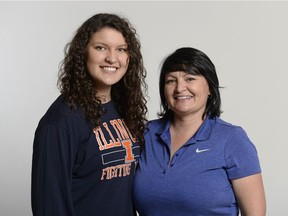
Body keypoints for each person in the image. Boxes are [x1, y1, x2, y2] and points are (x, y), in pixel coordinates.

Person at [31, 13, 147, 216]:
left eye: (121, 49)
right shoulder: (61, 122)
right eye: (101, 48)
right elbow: (50, 205)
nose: (112, 58)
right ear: (83, 53)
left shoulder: (125, 108)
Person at [132, 47, 266, 216]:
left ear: (210, 88)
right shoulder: (145, 134)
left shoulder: (231, 139)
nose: (180, 88)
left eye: (190, 79)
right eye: (171, 81)